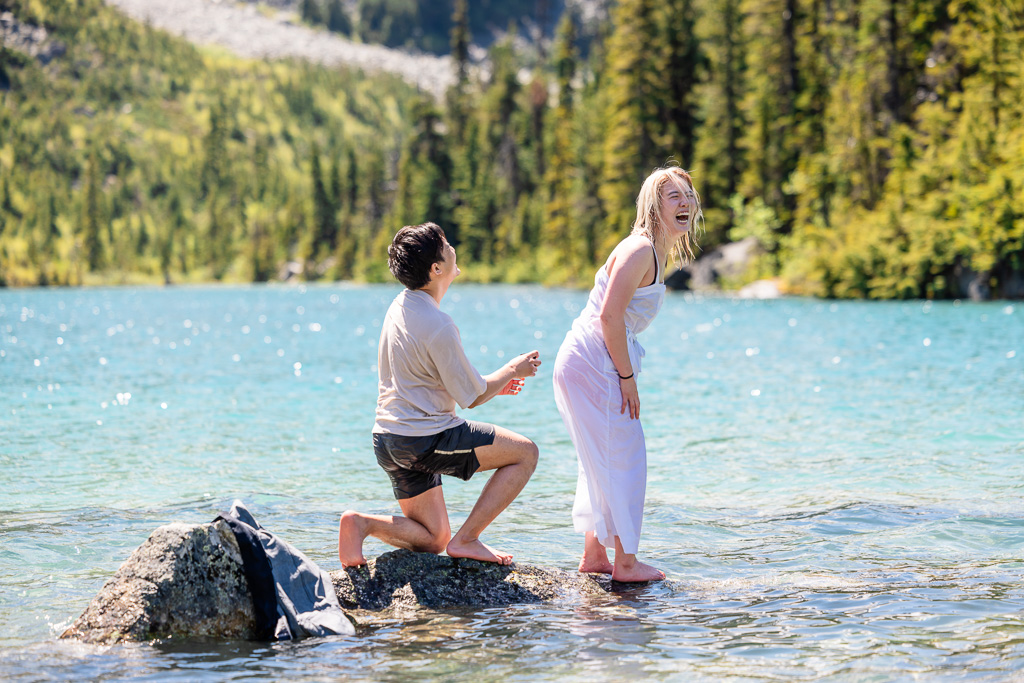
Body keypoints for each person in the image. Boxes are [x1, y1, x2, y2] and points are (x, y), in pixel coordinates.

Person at [338, 222, 541, 568]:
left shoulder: (400, 306)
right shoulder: (439, 323)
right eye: (446, 245)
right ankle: (469, 539)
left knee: (433, 539)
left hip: (388, 440)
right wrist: (512, 369)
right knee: (525, 454)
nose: (451, 247)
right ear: (436, 269)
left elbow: (438, 381)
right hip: (425, 439)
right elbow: (472, 396)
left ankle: (362, 524)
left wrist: (495, 383)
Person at [552, 165, 702, 582]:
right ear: (653, 205)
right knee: (626, 456)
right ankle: (626, 564)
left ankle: (595, 556)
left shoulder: (651, 249)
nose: (685, 203)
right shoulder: (640, 250)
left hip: (585, 358)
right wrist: (626, 377)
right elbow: (609, 316)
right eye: (674, 196)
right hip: (595, 360)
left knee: (599, 457)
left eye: (688, 195)